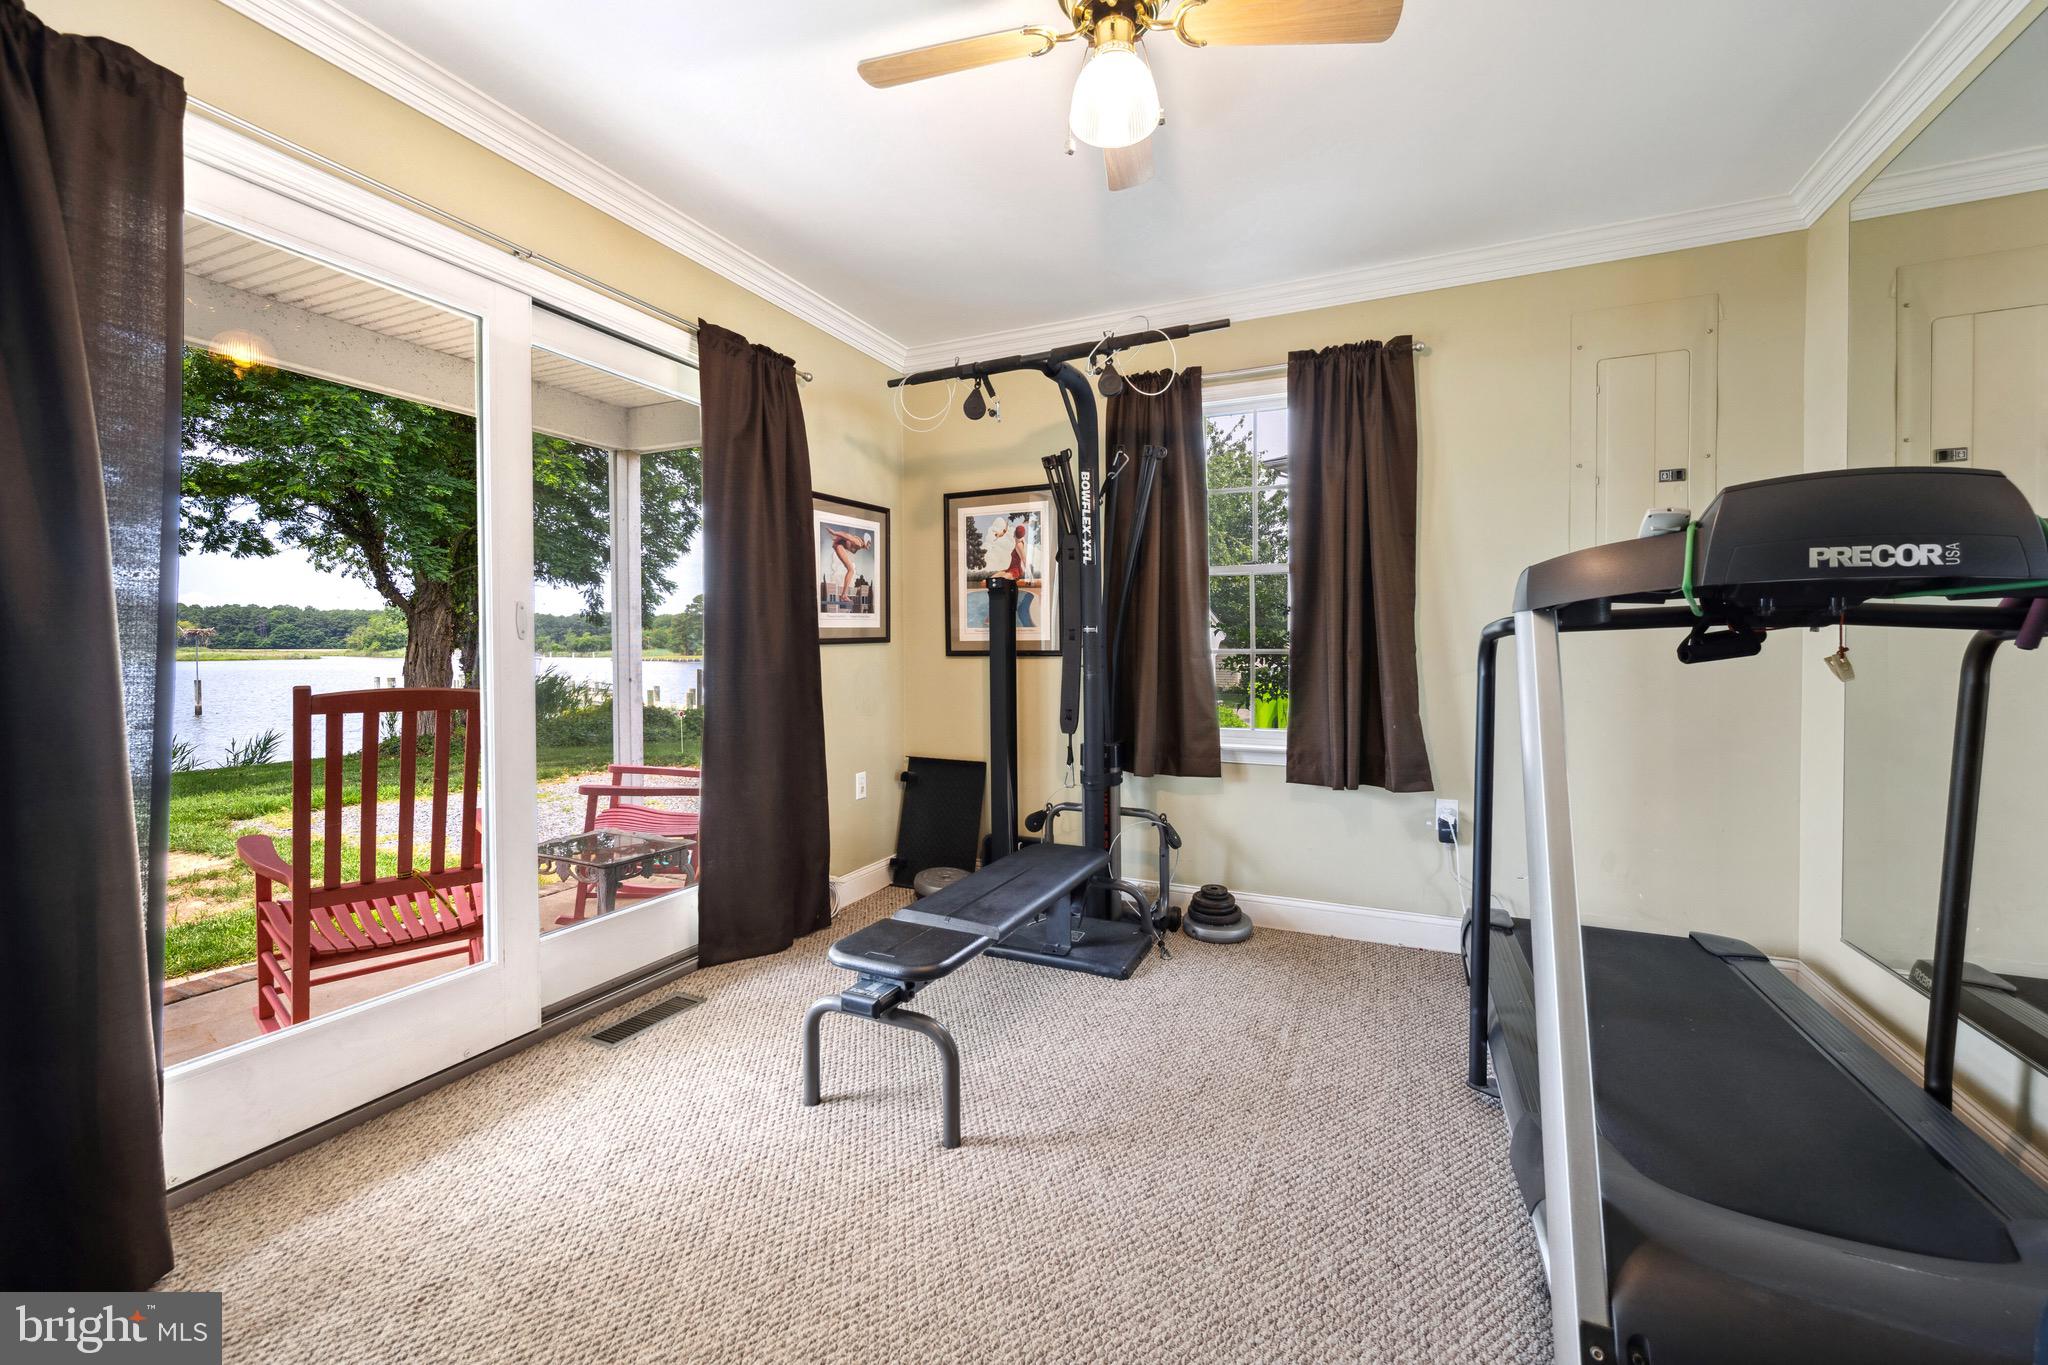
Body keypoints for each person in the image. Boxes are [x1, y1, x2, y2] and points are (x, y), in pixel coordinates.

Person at [823, 526, 872, 607]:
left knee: (851, 569)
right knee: (851, 570)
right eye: (869, 544)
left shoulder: (860, 545)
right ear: (866, 541)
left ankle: (843, 595)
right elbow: (847, 535)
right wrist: (834, 533)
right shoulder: (858, 543)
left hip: (839, 545)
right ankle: (844, 595)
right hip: (838, 546)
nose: (869, 546)